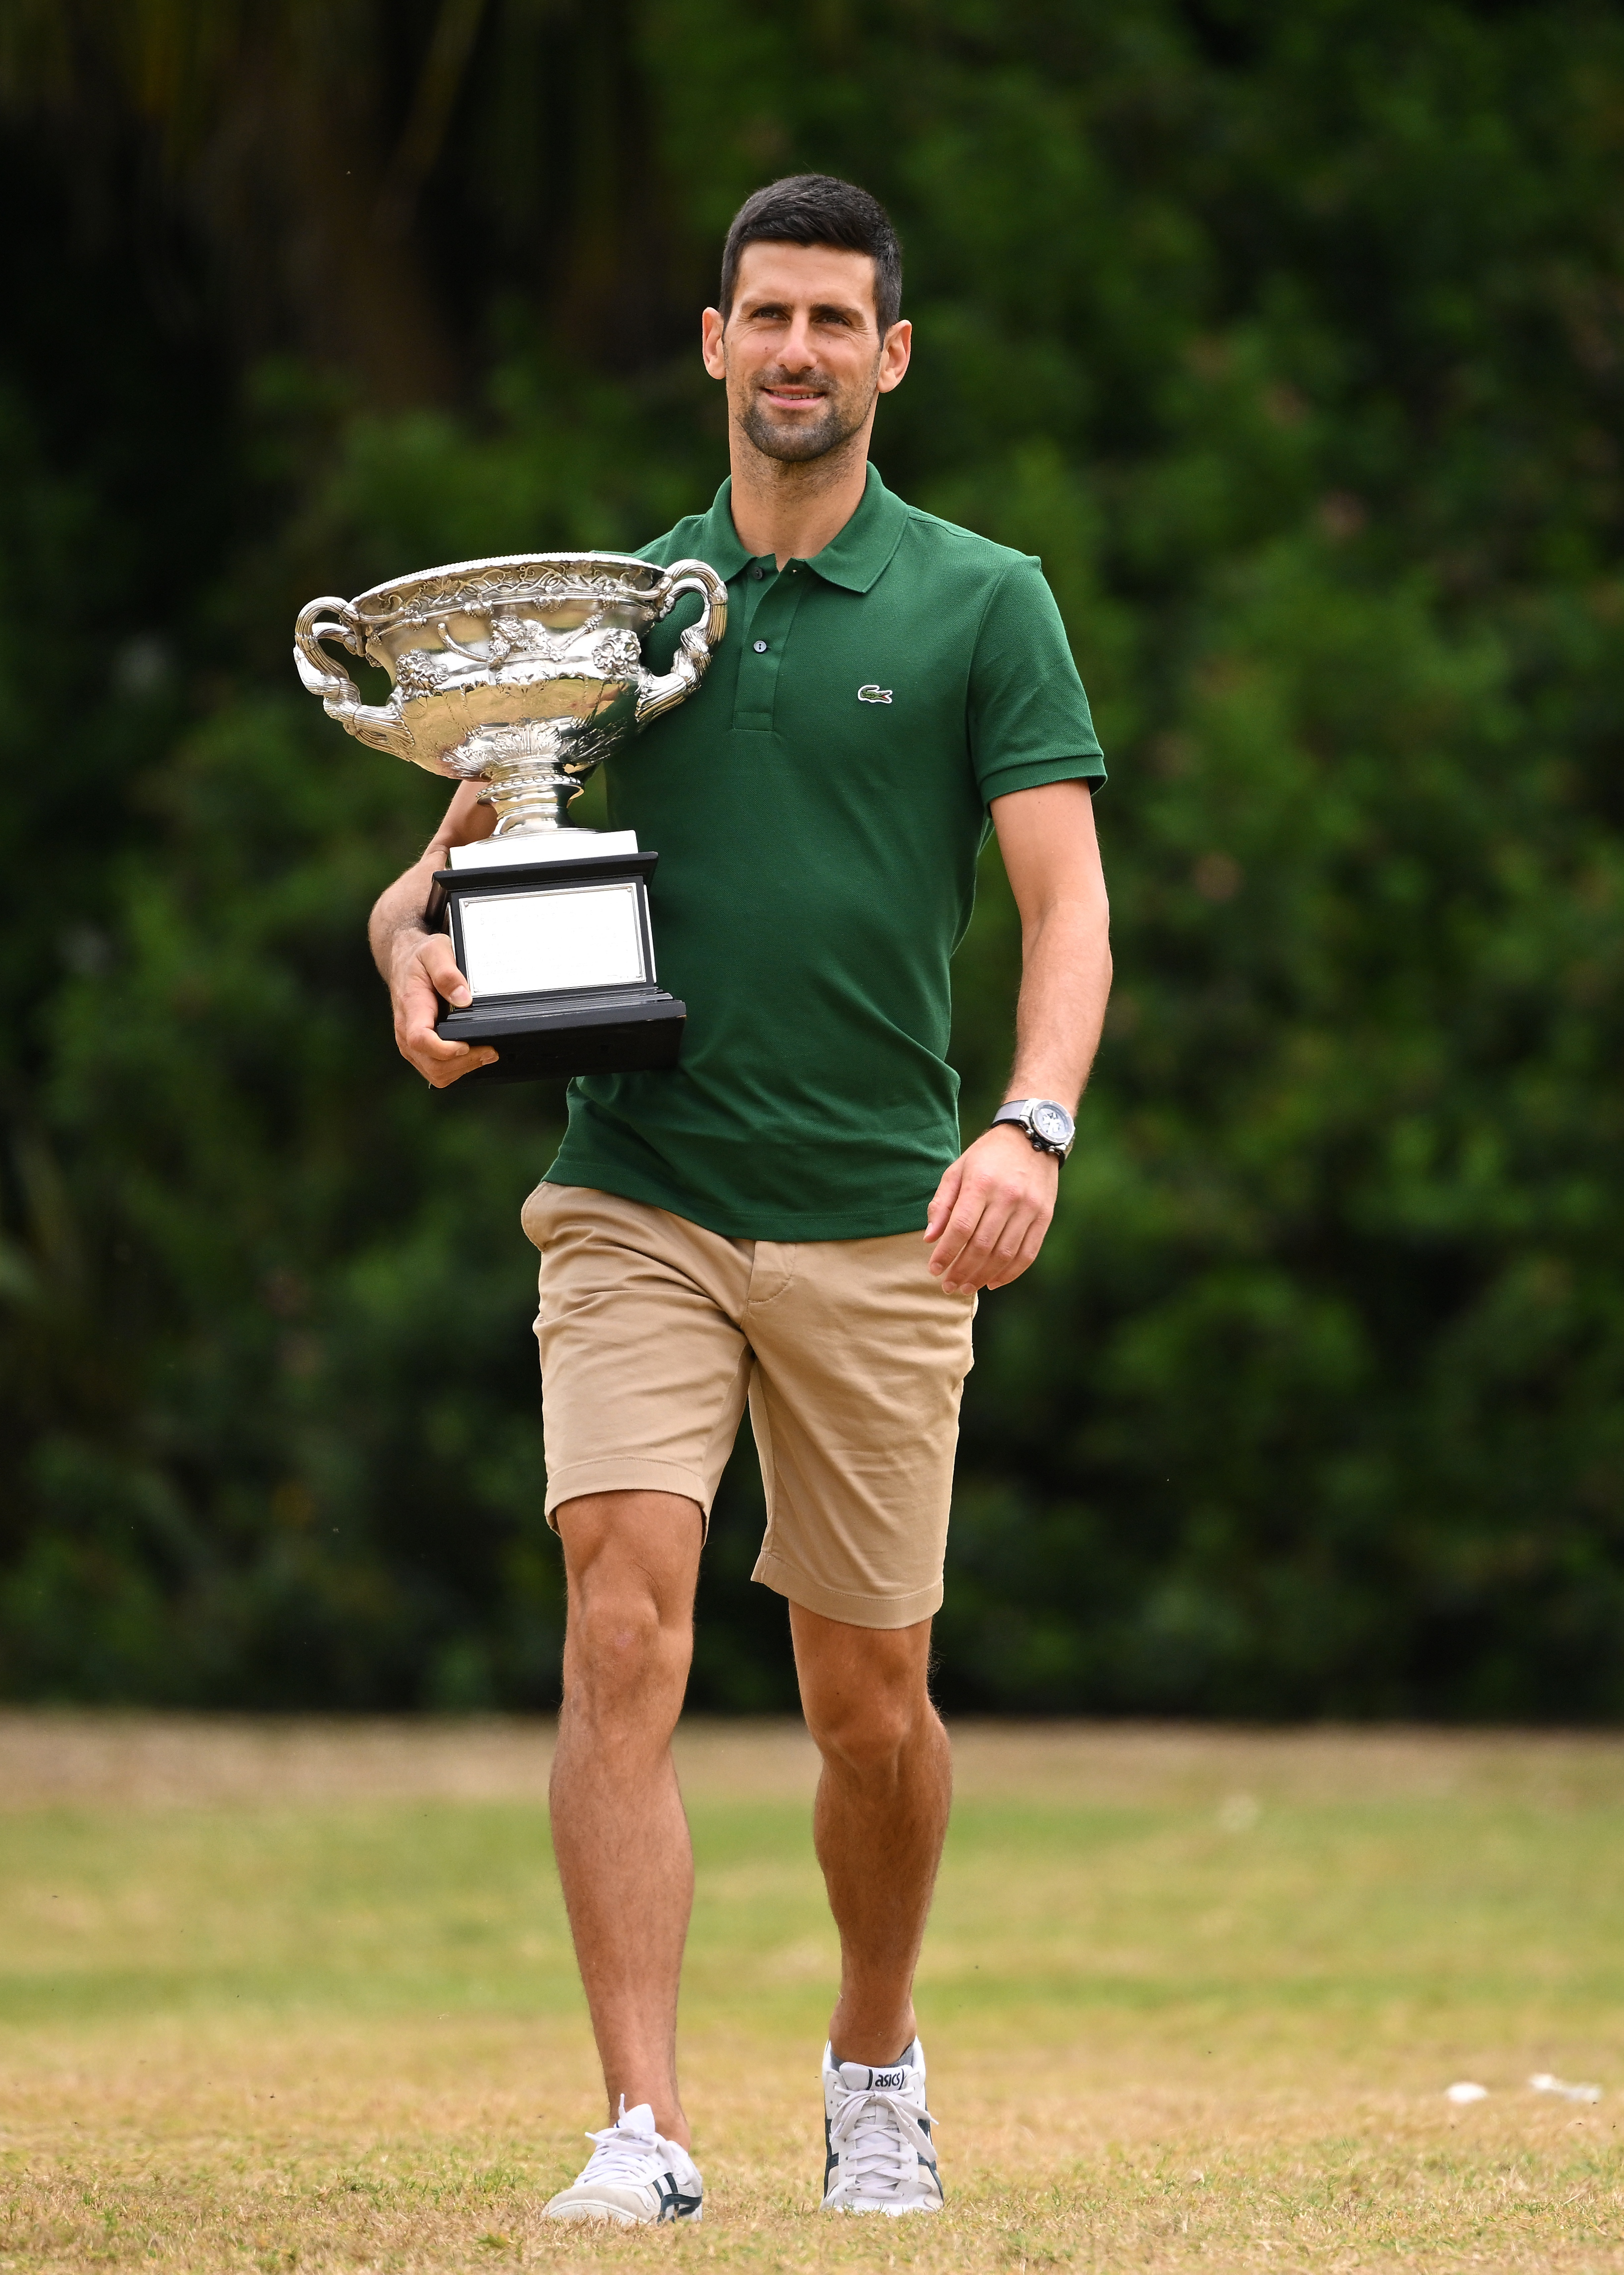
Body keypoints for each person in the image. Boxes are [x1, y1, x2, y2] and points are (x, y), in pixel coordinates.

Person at [362, 172, 1112, 2227]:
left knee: (867, 1702)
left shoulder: (984, 602)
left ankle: (874, 2052)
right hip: (639, 1197)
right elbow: (444, 860)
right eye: (759, 314)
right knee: (622, 1614)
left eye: (831, 321)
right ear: (710, 343)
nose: (793, 351)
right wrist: (403, 947)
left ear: (888, 356)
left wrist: (1026, 1125)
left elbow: (1069, 910)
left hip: (887, 1218)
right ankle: (645, 2130)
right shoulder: (611, 617)